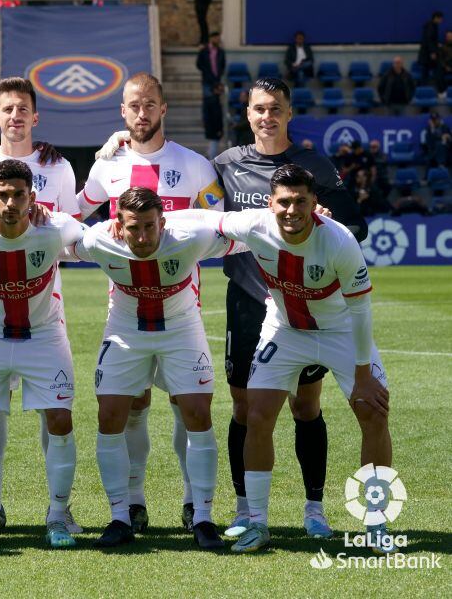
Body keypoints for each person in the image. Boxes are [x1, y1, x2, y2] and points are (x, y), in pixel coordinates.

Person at [212, 77, 367, 542]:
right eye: (259, 108)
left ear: (289, 113)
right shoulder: (225, 164)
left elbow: (356, 224)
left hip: (302, 304)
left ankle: (314, 509)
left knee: (305, 405)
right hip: (247, 299)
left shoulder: (313, 165)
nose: (267, 116)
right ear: (248, 114)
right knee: (245, 406)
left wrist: (330, 224)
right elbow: (193, 207)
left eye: (275, 108)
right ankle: (246, 508)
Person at [216, 164, 392, 553]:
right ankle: (257, 524)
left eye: (300, 201)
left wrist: (364, 375)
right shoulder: (253, 224)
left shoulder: (339, 240)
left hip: (340, 331)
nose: (291, 210)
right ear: (270, 203)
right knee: (257, 414)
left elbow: (361, 310)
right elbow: (203, 222)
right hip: (285, 329)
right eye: (284, 202)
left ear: (315, 203)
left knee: (374, 412)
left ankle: (376, 523)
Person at [88, 72, 226, 534]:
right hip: (126, 309)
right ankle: (132, 504)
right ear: (122, 111)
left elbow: (217, 226)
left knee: (189, 408)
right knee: (133, 406)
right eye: (134, 105)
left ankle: (193, 503)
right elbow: (73, 215)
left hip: (181, 307)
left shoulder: (195, 165)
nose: (142, 113)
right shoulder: (106, 166)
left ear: (163, 108)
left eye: (150, 104)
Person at [74, 188, 242, 549]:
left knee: (197, 413)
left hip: (181, 329)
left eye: (150, 226)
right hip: (125, 330)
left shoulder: (191, 236)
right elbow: (61, 240)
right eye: (133, 228)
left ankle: (203, 518)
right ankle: (120, 517)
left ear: (162, 223)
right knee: (110, 416)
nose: (142, 237)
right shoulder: (98, 240)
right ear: (119, 225)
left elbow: (242, 232)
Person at [0, 76, 81, 534]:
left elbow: (70, 233)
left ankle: (59, 510)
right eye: (7, 108)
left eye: (22, 109)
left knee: (55, 412)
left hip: (44, 304)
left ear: (35, 117)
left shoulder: (57, 166)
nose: (15, 116)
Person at [417, 11, 443, 87]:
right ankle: (426, 88)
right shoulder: (431, 26)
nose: (441, 21)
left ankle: (425, 87)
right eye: (440, 19)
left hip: (427, 54)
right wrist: (432, 52)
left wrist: (436, 44)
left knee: (426, 72)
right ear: (436, 18)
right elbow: (429, 39)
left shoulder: (431, 25)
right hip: (428, 54)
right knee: (427, 72)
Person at [196, 31, 225, 98]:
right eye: (216, 38)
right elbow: (199, 64)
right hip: (207, 79)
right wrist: (206, 71)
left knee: (216, 100)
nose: (218, 40)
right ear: (211, 38)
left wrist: (220, 73)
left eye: (218, 39)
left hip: (217, 79)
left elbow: (223, 64)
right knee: (208, 98)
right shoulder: (204, 51)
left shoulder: (221, 52)